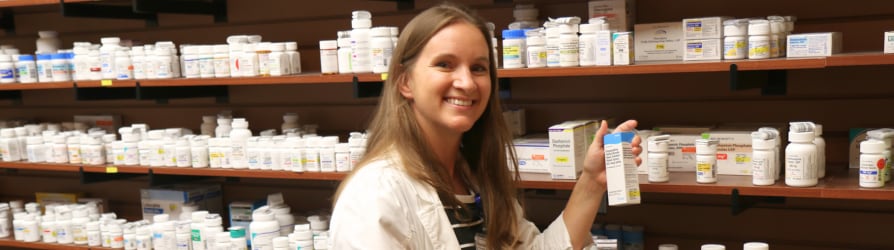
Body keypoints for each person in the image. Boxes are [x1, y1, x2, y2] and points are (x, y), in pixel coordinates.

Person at [328, 3, 641, 249]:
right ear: (404, 81)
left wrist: (591, 181)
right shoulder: (374, 195)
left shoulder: (473, 178)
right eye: (445, 64)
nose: (467, 83)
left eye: (478, 68)